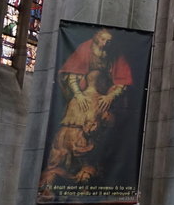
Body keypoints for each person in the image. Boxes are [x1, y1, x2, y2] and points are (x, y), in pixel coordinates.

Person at [38, 28, 134, 194]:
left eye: (109, 41)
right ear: (97, 39)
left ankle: (87, 175)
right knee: (69, 132)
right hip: (82, 99)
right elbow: (72, 75)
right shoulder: (86, 48)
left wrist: (111, 96)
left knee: (96, 134)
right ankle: (57, 175)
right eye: (104, 40)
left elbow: (123, 81)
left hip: (102, 99)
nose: (106, 43)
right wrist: (78, 95)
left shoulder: (114, 54)